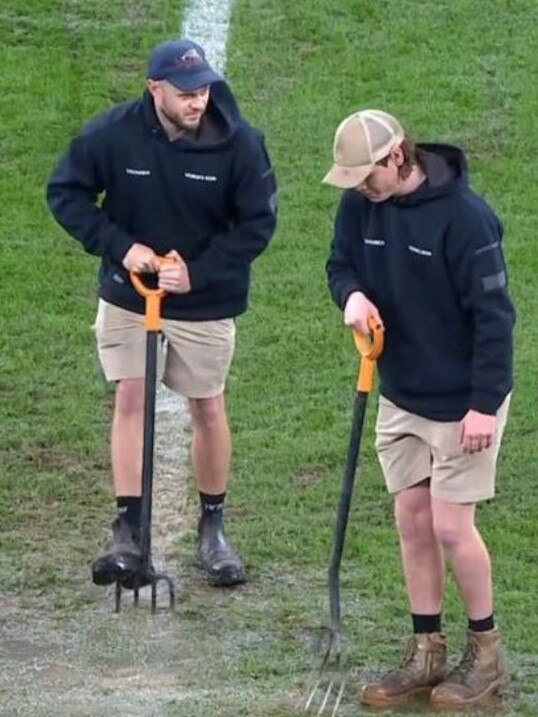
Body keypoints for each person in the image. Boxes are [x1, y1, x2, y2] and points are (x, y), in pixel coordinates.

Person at [47, 38, 277, 589]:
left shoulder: (242, 145)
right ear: (155, 89)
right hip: (130, 293)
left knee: (207, 404)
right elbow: (66, 194)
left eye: (203, 90)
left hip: (205, 299)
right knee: (131, 396)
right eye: (185, 93)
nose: (198, 102)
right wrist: (122, 249)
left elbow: (256, 226)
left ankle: (213, 526)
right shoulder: (111, 135)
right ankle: (128, 528)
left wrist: (196, 272)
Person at [324, 109, 515, 709]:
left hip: (462, 402)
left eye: (366, 174)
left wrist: (484, 405)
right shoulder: (361, 205)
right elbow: (341, 264)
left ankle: (486, 654)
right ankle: (426, 650)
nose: (359, 187)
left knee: (452, 527)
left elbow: (495, 318)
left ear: (397, 157)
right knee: (411, 518)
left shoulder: (466, 219)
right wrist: (351, 296)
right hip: (401, 392)